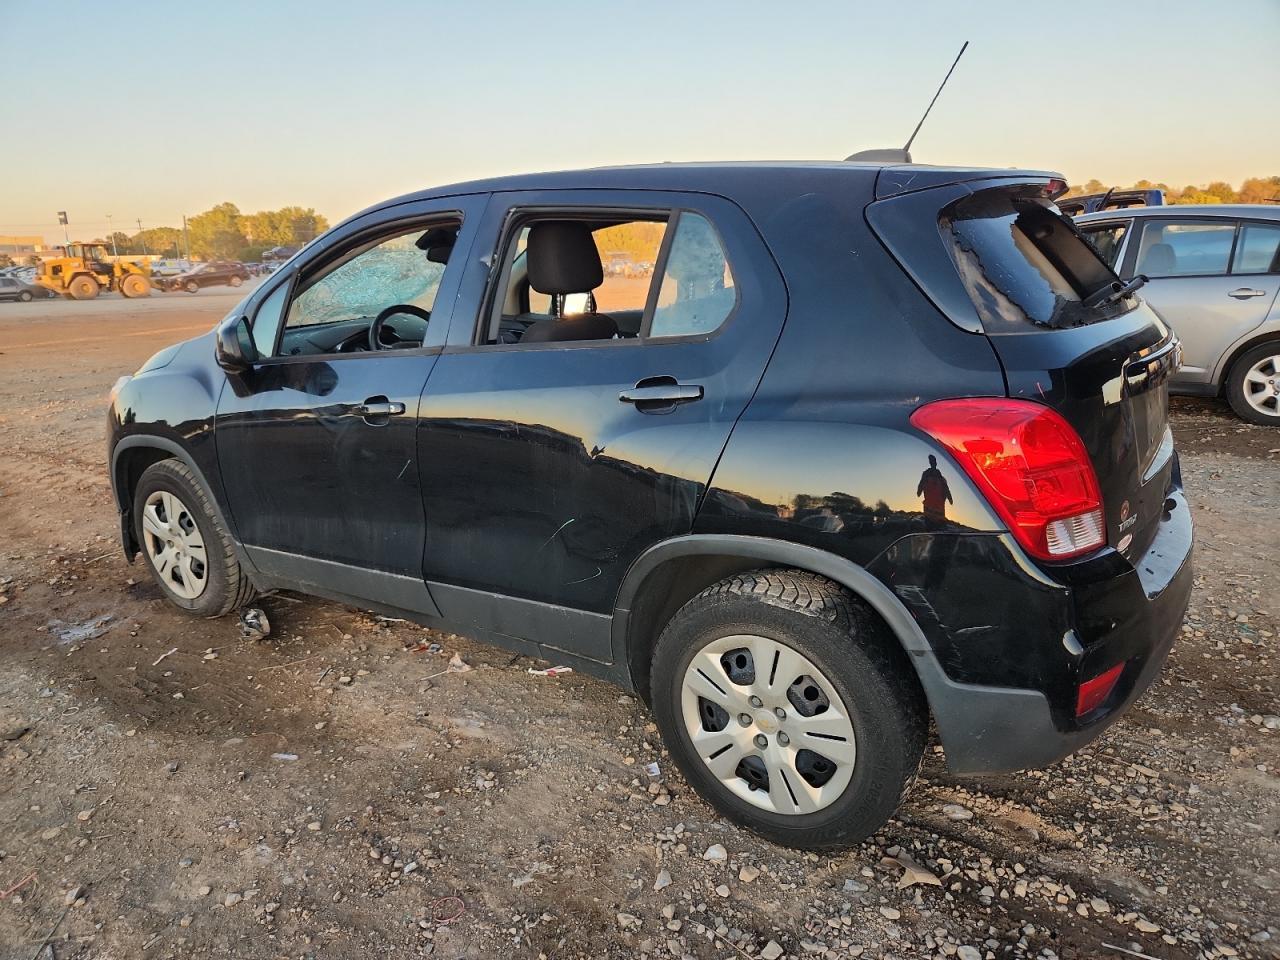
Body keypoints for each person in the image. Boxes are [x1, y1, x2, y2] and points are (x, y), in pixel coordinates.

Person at [916, 455, 953, 525]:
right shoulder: (926, 474)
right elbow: (920, 486)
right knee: (930, 528)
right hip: (929, 512)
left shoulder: (940, 477)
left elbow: (946, 488)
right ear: (930, 462)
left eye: (934, 461)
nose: (933, 463)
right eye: (931, 461)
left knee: (939, 529)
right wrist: (919, 490)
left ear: (936, 463)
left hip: (939, 513)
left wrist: (950, 498)